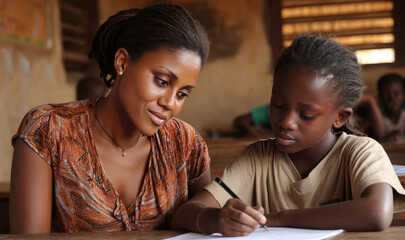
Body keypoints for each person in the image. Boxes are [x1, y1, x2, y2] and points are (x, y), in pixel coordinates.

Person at [171, 34, 405, 236]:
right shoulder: (258, 158)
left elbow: (376, 212)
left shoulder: (361, 152)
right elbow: (185, 214)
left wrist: (277, 219)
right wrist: (217, 219)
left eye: (306, 114)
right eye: (279, 105)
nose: (286, 122)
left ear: (340, 117)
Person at [10, 3, 210, 233]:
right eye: (162, 81)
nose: (170, 103)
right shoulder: (49, 131)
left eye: (182, 94)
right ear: (122, 62)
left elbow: (207, 225)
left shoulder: (185, 143)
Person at [356, 73, 405, 142]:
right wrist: (371, 100)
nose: (392, 98)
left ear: (404, 95)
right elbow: (381, 135)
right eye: (386, 94)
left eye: (396, 93)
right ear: (380, 97)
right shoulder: (374, 120)